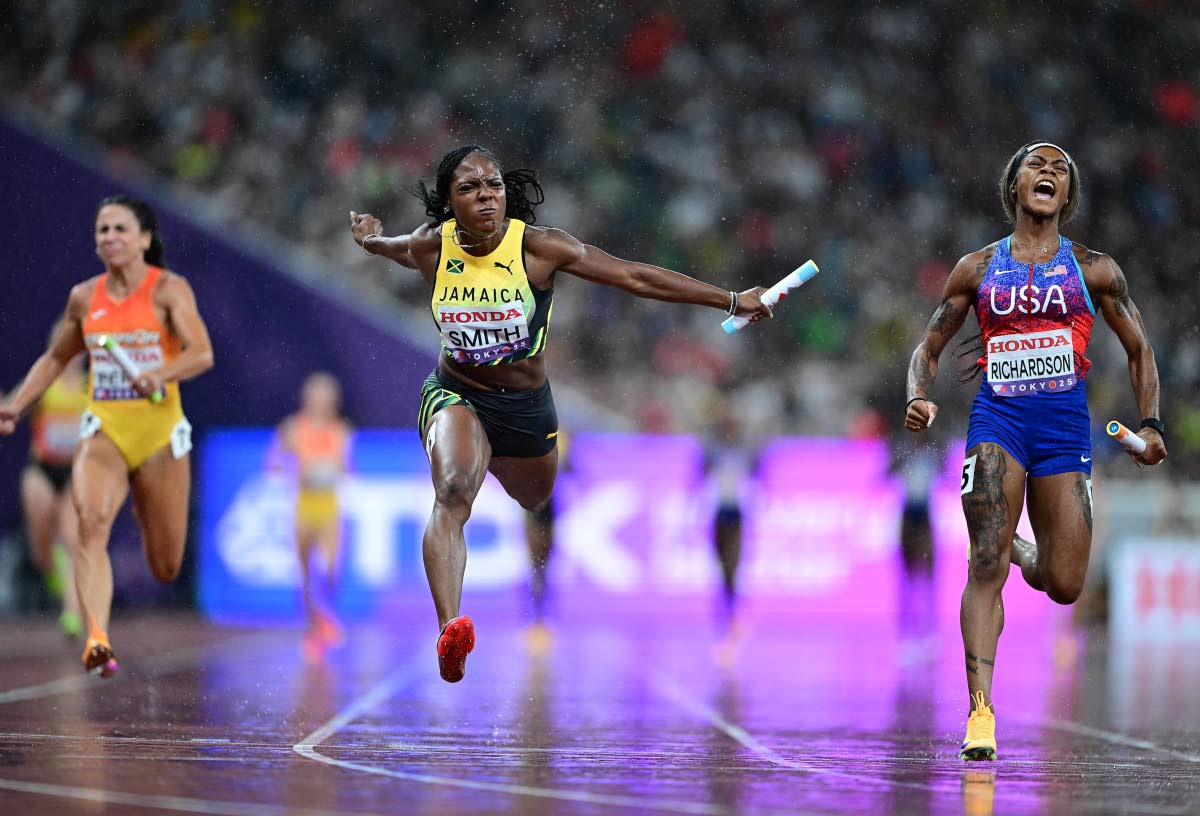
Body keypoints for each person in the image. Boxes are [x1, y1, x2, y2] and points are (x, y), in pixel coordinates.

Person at [350, 144, 771, 682]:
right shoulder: (434, 246)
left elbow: (635, 277)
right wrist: (371, 239)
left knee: (535, 496)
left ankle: (497, 474)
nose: (486, 195)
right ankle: (449, 630)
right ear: (448, 202)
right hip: (456, 391)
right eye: (470, 188)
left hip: (525, 406)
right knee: (453, 491)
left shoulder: (540, 249)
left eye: (494, 185)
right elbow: (395, 248)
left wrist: (732, 299)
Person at [904, 142, 1167, 760]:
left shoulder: (1095, 269)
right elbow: (929, 346)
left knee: (1065, 583)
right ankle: (980, 712)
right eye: (1036, 165)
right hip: (998, 420)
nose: (1048, 172)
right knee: (985, 563)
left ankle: (1023, 548)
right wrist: (919, 393)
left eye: (1060, 171)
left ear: (1067, 197)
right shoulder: (975, 268)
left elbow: (1140, 349)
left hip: (1064, 429)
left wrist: (1151, 425)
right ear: (1013, 185)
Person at [0, 195, 214, 676]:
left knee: (165, 565)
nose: (110, 238)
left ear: (143, 239)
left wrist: (161, 373)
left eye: (120, 229)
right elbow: (56, 359)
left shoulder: (169, 291)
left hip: (159, 435)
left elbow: (202, 353)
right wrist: (16, 405)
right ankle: (96, 634)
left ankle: (143, 501)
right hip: (106, 429)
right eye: (102, 230)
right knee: (89, 523)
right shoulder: (84, 297)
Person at [273, 372, 352, 661]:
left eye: (326, 397)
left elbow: (345, 467)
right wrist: (288, 468)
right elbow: (274, 462)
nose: (322, 402)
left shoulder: (340, 431)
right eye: (317, 396)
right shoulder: (293, 428)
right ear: (308, 398)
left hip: (327, 504)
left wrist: (330, 469)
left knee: (330, 568)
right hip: (303, 503)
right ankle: (313, 625)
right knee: (306, 570)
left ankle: (325, 614)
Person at [20, 348, 86, 637]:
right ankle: (52, 569)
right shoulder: (46, 384)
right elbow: (15, 404)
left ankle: (71, 614)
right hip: (41, 470)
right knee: (41, 553)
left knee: (72, 538)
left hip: (73, 471)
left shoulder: (90, 390)